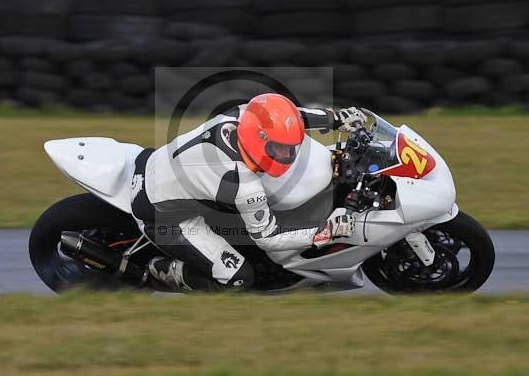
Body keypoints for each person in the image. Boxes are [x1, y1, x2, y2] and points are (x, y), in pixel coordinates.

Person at [130, 93, 366, 291]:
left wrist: (334, 119)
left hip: (154, 162)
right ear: (257, 140)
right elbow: (269, 239)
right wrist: (324, 233)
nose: (288, 156)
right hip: (162, 216)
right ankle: (160, 271)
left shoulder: (244, 114)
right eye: (279, 149)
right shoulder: (240, 181)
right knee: (238, 280)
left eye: (291, 148)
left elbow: (292, 118)